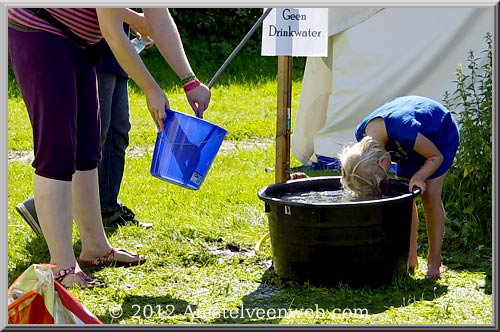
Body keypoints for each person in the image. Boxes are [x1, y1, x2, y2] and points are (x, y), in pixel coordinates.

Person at [8, 8, 211, 288]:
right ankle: (62, 268)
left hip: (78, 44)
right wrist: (151, 89)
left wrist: (191, 81)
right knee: (57, 153)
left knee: (87, 150)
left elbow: (158, 16)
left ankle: (95, 248)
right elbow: (112, 32)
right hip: (41, 32)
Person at [15, 24, 153, 232]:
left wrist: (128, 21)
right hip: (94, 52)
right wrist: (135, 17)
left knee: (118, 133)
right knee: (93, 138)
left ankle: (107, 208)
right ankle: (40, 207)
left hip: (118, 55)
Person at [338, 95, 459, 279]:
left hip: (439, 137)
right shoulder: (362, 135)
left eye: (382, 177)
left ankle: (435, 261)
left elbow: (436, 157)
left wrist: (419, 176)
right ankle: (410, 257)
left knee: (430, 195)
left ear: (383, 160)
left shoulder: (403, 129)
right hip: (406, 147)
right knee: (405, 198)